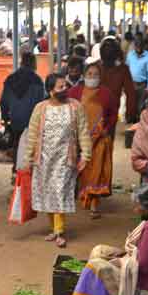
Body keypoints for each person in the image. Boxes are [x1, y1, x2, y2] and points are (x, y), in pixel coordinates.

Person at [21, 73, 91, 248]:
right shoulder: (40, 108)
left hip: (66, 159)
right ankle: (54, 229)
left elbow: (83, 132)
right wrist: (28, 159)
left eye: (65, 85)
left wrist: (86, 156)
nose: (65, 89)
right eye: (60, 87)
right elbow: (33, 135)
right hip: (43, 159)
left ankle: (59, 231)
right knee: (47, 192)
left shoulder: (76, 107)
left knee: (60, 191)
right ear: (50, 91)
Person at [69, 62, 118, 219]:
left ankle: (94, 206)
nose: (92, 77)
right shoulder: (74, 92)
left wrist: (105, 130)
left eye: (95, 74)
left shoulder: (106, 94)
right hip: (80, 141)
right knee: (83, 170)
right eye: (89, 74)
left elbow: (113, 115)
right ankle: (84, 196)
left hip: (100, 140)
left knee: (97, 171)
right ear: (84, 75)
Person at [0, 51, 46, 173]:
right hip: (32, 120)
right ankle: (28, 172)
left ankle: (16, 171)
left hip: (15, 119)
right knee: (31, 146)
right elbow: (42, 102)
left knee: (16, 144)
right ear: (33, 63)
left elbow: (3, 101)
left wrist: (5, 119)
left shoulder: (10, 79)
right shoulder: (37, 81)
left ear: (21, 62)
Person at [99, 37, 138, 123]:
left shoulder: (123, 69)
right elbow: (131, 93)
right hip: (100, 111)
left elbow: (131, 94)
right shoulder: (96, 68)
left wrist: (130, 113)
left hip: (109, 112)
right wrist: (130, 114)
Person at [125, 36, 148, 111]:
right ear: (134, 46)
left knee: (141, 105)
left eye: (140, 46)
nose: (138, 48)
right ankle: (133, 119)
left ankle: (139, 119)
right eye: (137, 46)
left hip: (143, 85)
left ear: (143, 46)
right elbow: (126, 68)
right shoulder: (130, 55)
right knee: (132, 103)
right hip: (132, 83)